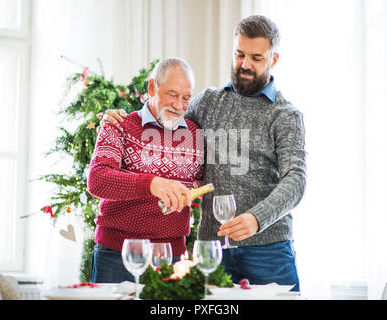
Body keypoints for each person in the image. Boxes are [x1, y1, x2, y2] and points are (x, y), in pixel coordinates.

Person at [101, 15, 306, 292]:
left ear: (274, 59)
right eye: (239, 54)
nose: (245, 65)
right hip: (213, 249)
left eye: (256, 58)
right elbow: (165, 116)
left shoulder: (286, 115)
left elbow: (296, 180)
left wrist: (257, 219)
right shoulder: (208, 101)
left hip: (268, 248)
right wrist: (119, 117)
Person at [87, 57, 204, 283]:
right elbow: (98, 180)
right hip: (116, 254)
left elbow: (211, 182)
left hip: (170, 257)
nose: (179, 106)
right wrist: (152, 183)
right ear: (152, 87)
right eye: (172, 94)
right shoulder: (118, 125)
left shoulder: (197, 136)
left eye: (186, 98)